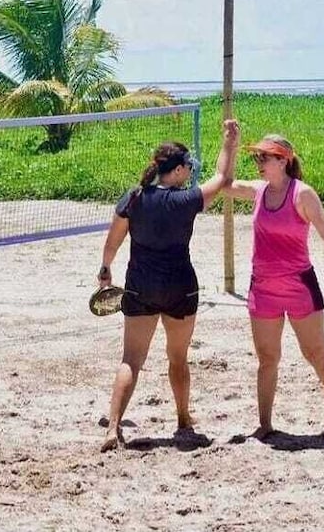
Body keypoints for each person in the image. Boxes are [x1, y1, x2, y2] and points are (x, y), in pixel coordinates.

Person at [97, 119, 240, 452]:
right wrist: (229, 144)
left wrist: (105, 271)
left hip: (141, 286)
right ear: (176, 170)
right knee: (177, 358)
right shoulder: (185, 200)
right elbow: (222, 178)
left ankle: (113, 427)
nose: (190, 172)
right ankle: (183, 418)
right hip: (180, 287)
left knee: (131, 360)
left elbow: (112, 242)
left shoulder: (134, 197)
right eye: (188, 167)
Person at [223, 134, 324, 440]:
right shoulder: (258, 191)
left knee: (316, 353)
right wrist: (230, 144)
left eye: (264, 157)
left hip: (299, 287)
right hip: (263, 288)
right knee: (267, 359)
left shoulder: (302, 194)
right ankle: (265, 424)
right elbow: (224, 183)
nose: (258, 163)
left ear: (283, 161)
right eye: (256, 157)